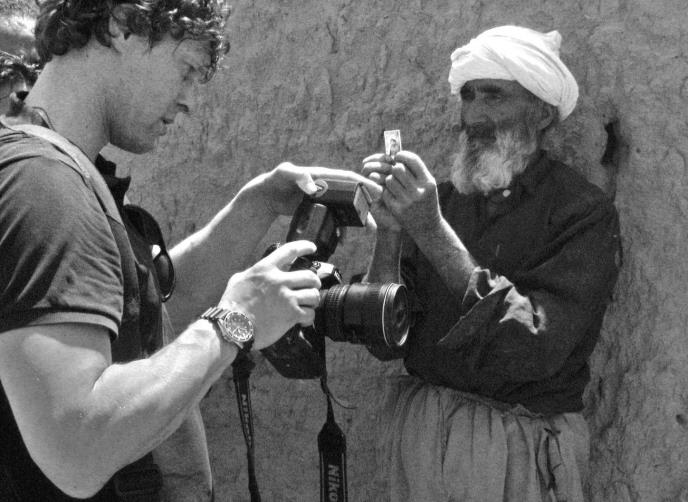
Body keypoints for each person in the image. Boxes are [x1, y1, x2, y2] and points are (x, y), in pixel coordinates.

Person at [0, 1, 381, 500]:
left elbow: (147, 327)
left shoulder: (54, 171)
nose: (188, 102)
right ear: (121, 26)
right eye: (186, 71)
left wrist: (258, 205)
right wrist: (234, 321)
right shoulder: (44, 185)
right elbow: (77, 447)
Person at [362, 25, 620, 501]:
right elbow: (383, 342)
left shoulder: (580, 213)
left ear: (541, 114)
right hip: (423, 436)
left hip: (517, 446)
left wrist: (432, 233)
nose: (474, 115)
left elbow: (534, 348)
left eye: (494, 96)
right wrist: (391, 232)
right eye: (468, 95)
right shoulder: (440, 202)